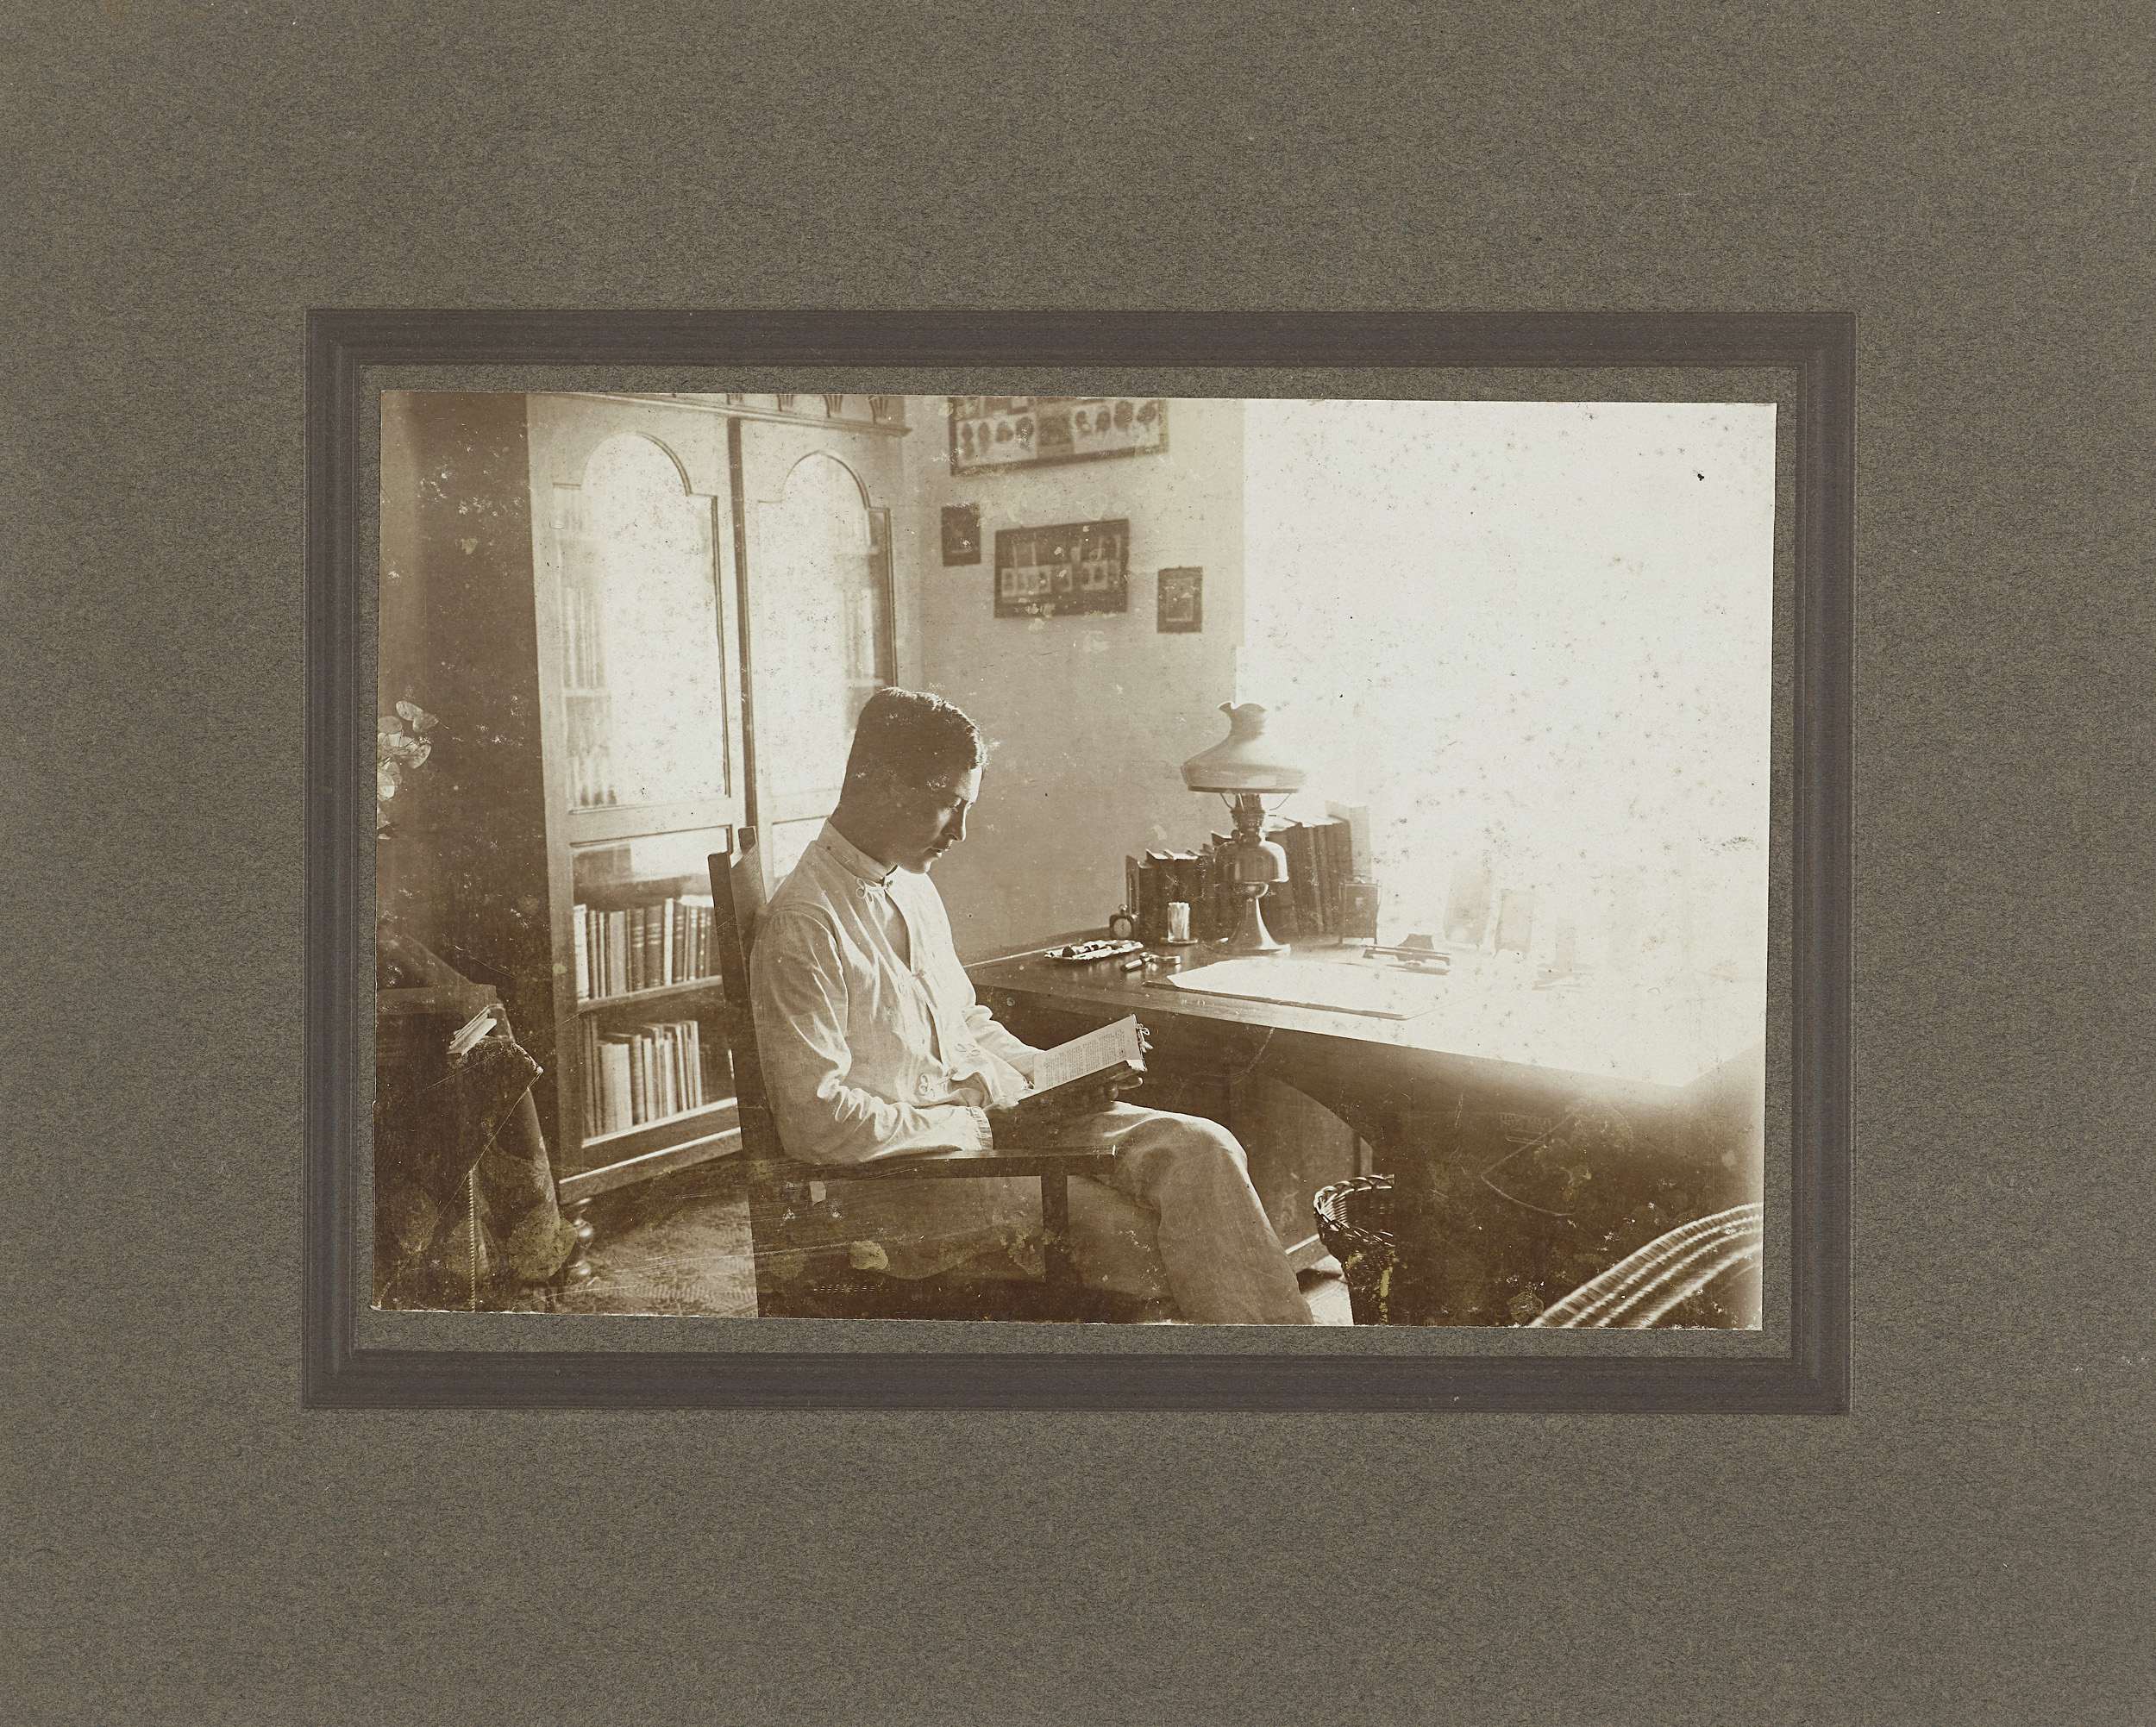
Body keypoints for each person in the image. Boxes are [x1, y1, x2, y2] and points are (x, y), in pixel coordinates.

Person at [749, 687, 1314, 1325]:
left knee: (1203, 1145)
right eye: (948, 804)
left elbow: (964, 1022)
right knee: (1158, 1242)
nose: (960, 832)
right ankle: (1267, 1371)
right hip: (908, 1179)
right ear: (877, 783)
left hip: (995, 1129)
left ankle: (1289, 1368)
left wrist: (1053, 1074)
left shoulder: (909, 884)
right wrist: (980, 1126)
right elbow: (816, 1121)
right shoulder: (806, 924)